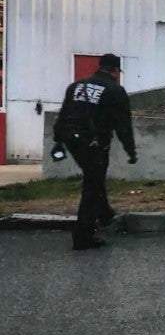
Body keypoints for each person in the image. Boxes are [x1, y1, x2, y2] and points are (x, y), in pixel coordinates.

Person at [51, 53, 138, 250]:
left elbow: (63, 114)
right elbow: (123, 125)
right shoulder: (115, 90)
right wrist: (130, 151)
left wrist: (58, 141)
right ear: (115, 70)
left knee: (94, 178)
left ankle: (105, 213)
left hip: (72, 141)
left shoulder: (76, 86)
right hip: (94, 143)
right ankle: (83, 236)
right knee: (92, 185)